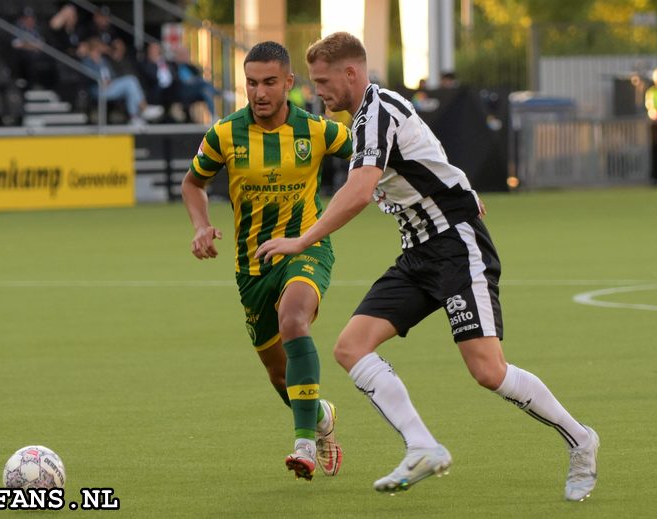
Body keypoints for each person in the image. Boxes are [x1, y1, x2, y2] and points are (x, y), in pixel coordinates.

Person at [255, 32, 599, 501]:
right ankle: (422, 446)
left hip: (456, 247)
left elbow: (358, 191)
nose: (318, 90)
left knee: (488, 371)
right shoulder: (363, 118)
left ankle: (581, 440)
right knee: (351, 347)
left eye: (322, 81)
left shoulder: (378, 111)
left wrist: (302, 240)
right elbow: (430, 165)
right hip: (418, 253)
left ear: (351, 73)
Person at [181, 41, 353, 481]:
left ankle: (303, 445)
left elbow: (377, 156)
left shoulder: (317, 131)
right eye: (252, 83)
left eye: (270, 83)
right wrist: (201, 226)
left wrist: (447, 188)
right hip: (251, 267)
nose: (260, 93)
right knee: (281, 377)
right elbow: (193, 183)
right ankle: (320, 418)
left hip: (306, 248)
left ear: (289, 83)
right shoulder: (224, 134)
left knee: (294, 318)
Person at [81, 37, 163, 125]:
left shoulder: (103, 61)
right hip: (97, 89)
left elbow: (112, 74)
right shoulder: (87, 61)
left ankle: (135, 117)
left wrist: (110, 81)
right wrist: (101, 80)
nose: (97, 52)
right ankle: (143, 110)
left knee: (131, 85)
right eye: (95, 50)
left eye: (98, 50)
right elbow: (87, 76)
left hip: (110, 86)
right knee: (131, 81)